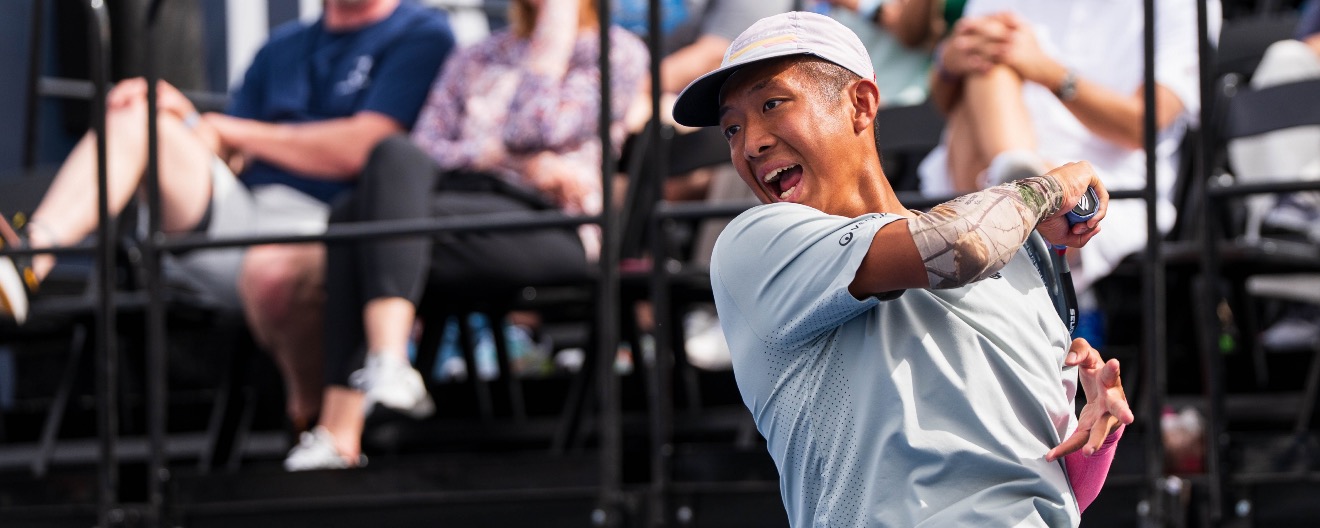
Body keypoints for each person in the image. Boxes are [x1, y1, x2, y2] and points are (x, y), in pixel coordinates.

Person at [671, 12, 1132, 525]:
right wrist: (1048, 187)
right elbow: (963, 244)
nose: (749, 143)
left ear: (860, 104)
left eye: (771, 105)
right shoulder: (754, 246)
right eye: (732, 128)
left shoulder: (1023, 253)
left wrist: (1098, 436)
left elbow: (1052, 484)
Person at [0, 0, 456, 435]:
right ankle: (28, 258)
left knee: (273, 272)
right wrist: (182, 120)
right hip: (246, 213)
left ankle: (317, 426)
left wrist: (228, 129)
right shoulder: (281, 46)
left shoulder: (422, 33)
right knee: (138, 116)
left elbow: (366, 147)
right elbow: (230, 152)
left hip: (341, 226)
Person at [281, 0, 648, 471]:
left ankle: (343, 425)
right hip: (459, 204)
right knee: (379, 174)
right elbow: (428, 147)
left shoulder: (615, 51)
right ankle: (387, 366)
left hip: (553, 222)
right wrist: (518, 163)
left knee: (358, 220)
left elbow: (533, 126)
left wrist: (554, 29)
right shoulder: (477, 55)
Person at [917, 0, 1220, 299]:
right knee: (987, 60)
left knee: (991, 60)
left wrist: (1051, 74)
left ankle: (1016, 193)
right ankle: (1019, 187)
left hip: (1105, 189)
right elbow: (947, 102)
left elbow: (1145, 124)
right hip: (982, 185)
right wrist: (948, 64)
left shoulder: (1180, 6)